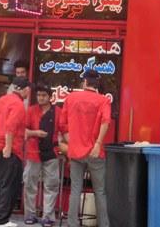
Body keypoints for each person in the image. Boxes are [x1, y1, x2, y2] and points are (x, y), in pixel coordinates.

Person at [59, 70, 111, 227]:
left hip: (76, 152)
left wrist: (72, 141)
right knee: (99, 191)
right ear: (96, 83)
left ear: (85, 82)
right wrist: (98, 144)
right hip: (95, 152)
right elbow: (106, 121)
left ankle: (72, 224)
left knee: (75, 189)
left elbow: (62, 124)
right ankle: (104, 225)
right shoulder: (103, 101)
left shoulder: (71, 98)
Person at [0, 77, 31, 227]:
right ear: (24, 89)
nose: (29, 93)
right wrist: (8, 148)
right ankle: (1, 220)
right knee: (9, 185)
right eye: (28, 90)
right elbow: (10, 127)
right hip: (9, 149)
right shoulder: (18, 105)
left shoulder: (2, 100)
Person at [23, 85, 61, 227]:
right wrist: (35, 133)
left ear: (50, 96)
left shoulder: (58, 112)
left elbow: (64, 130)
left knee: (51, 185)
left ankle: (48, 216)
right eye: (38, 95)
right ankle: (30, 214)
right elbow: (23, 130)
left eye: (44, 95)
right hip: (33, 152)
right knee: (29, 184)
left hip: (51, 152)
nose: (41, 98)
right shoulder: (31, 110)